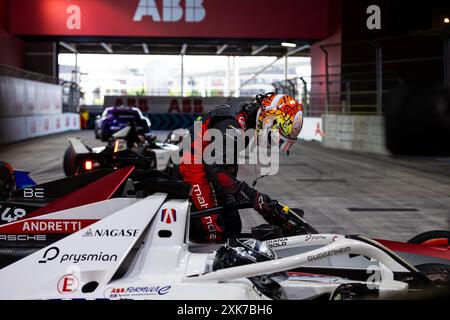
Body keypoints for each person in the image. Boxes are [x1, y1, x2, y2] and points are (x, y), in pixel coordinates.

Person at [176, 92, 304, 242]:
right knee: (213, 232)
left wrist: (264, 207)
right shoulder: (234, 124)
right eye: (275, 138)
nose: (275, 143)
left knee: (233, 226)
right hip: (192, 166)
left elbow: (226, 163)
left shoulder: (249, 113)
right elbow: (217, 169)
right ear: (269, 120)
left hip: (209, 165)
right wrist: (254, 197)